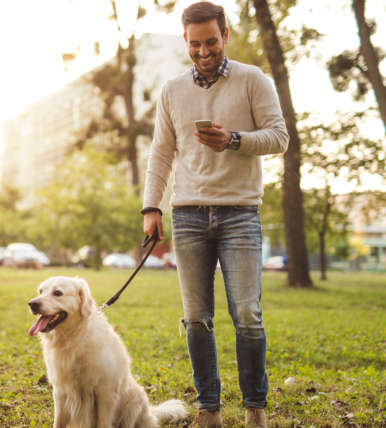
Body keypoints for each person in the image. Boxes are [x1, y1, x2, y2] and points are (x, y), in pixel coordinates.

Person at [141, 2, 288, 427]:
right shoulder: (172, 91)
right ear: (185, 42)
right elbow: (161, 153)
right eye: (194, 44)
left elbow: (279, 137)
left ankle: (254, 408)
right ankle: (208, 408)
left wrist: (234, 140)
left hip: (240, 212)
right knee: (196, 318)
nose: (203, 51)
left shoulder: (252, 80)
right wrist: (151, 206)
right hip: (187, 215)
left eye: (210, 42)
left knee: (247, 315)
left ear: (226, 34)